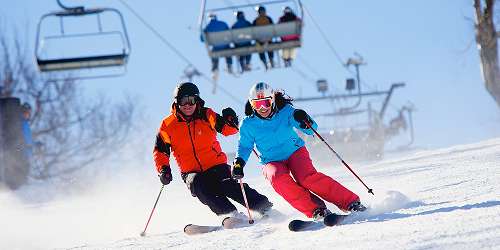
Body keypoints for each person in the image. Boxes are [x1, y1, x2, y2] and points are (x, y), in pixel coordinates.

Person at [231, 82, 366, 222]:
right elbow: (245, 146)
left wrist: (304, 119)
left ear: (272, 100)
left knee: (306, 178)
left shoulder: (286, 112)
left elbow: (311, 129)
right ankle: (316, 210)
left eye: (265, 102)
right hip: (271, 160)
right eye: (257, 104)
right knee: (277, 178)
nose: (262, 108)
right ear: (252, 104)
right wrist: (239, 162)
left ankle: (350, 202)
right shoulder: (248, 124)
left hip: (295, 152)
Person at [153, 82, 272, 219]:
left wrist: (231, 120)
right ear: (176, 102)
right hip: (191, 171)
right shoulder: (167, 125)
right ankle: (230, 214)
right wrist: (164, 170)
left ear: (197, 101)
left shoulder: (206, 115)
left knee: (228, 184)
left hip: (216, 164)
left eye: (191, 100)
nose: (187, 105)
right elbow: (160, 151)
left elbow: (228, 130)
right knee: (201, 188)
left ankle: (264, 207)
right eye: (183, 101)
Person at [200, 13, 233, 79]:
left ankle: (215, 70)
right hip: (225, 46)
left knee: (214, 55)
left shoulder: (208, 27)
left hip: (216, 47)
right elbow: (230, 34)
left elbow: (202, 39)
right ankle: (229, 65)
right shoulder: (223, 24)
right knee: (228, 52)